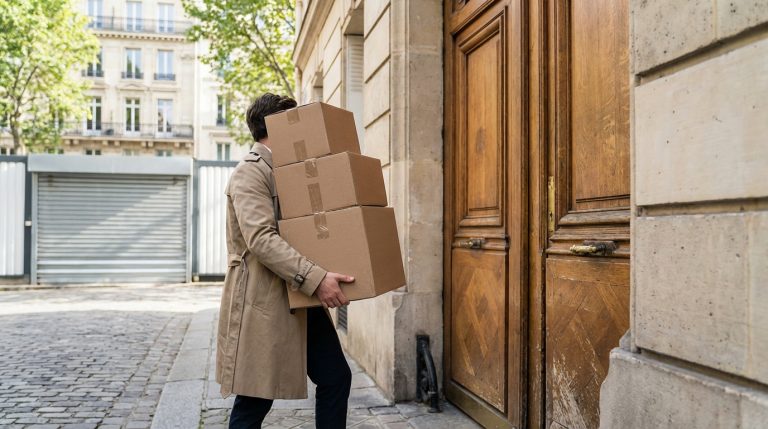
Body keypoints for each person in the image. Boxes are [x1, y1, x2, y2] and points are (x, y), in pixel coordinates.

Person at [216, 93, 354, 429]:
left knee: (335, 376)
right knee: (256, 397)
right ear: (275, 126)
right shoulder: (250, 172)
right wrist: (316, 278)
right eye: (292, 122)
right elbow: (261, 239)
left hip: (299, 296)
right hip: (266, 300)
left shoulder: (287, 171)